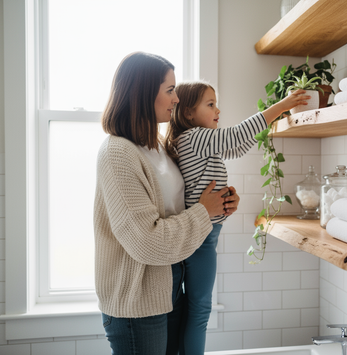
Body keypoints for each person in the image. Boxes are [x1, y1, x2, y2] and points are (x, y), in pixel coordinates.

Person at [94, 52, 240, 355]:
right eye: (169, 90)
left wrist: (221, 201)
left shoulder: (157, 146)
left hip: (169, 288)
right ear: (143, 93)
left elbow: (182, 205)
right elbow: (146, 241)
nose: (176, 99)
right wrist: (205, 211)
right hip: (137, 301)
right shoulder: (118, 153)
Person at [164, 80, 309, 354]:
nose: (218, 110)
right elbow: (236, 135)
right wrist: (282, 105)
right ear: (188, 114)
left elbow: (238, 146)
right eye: (210, 104)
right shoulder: (195, 138)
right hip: (202, 240)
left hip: (203, 235)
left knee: (193, 308)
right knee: (200, 310)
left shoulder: (197, 142)